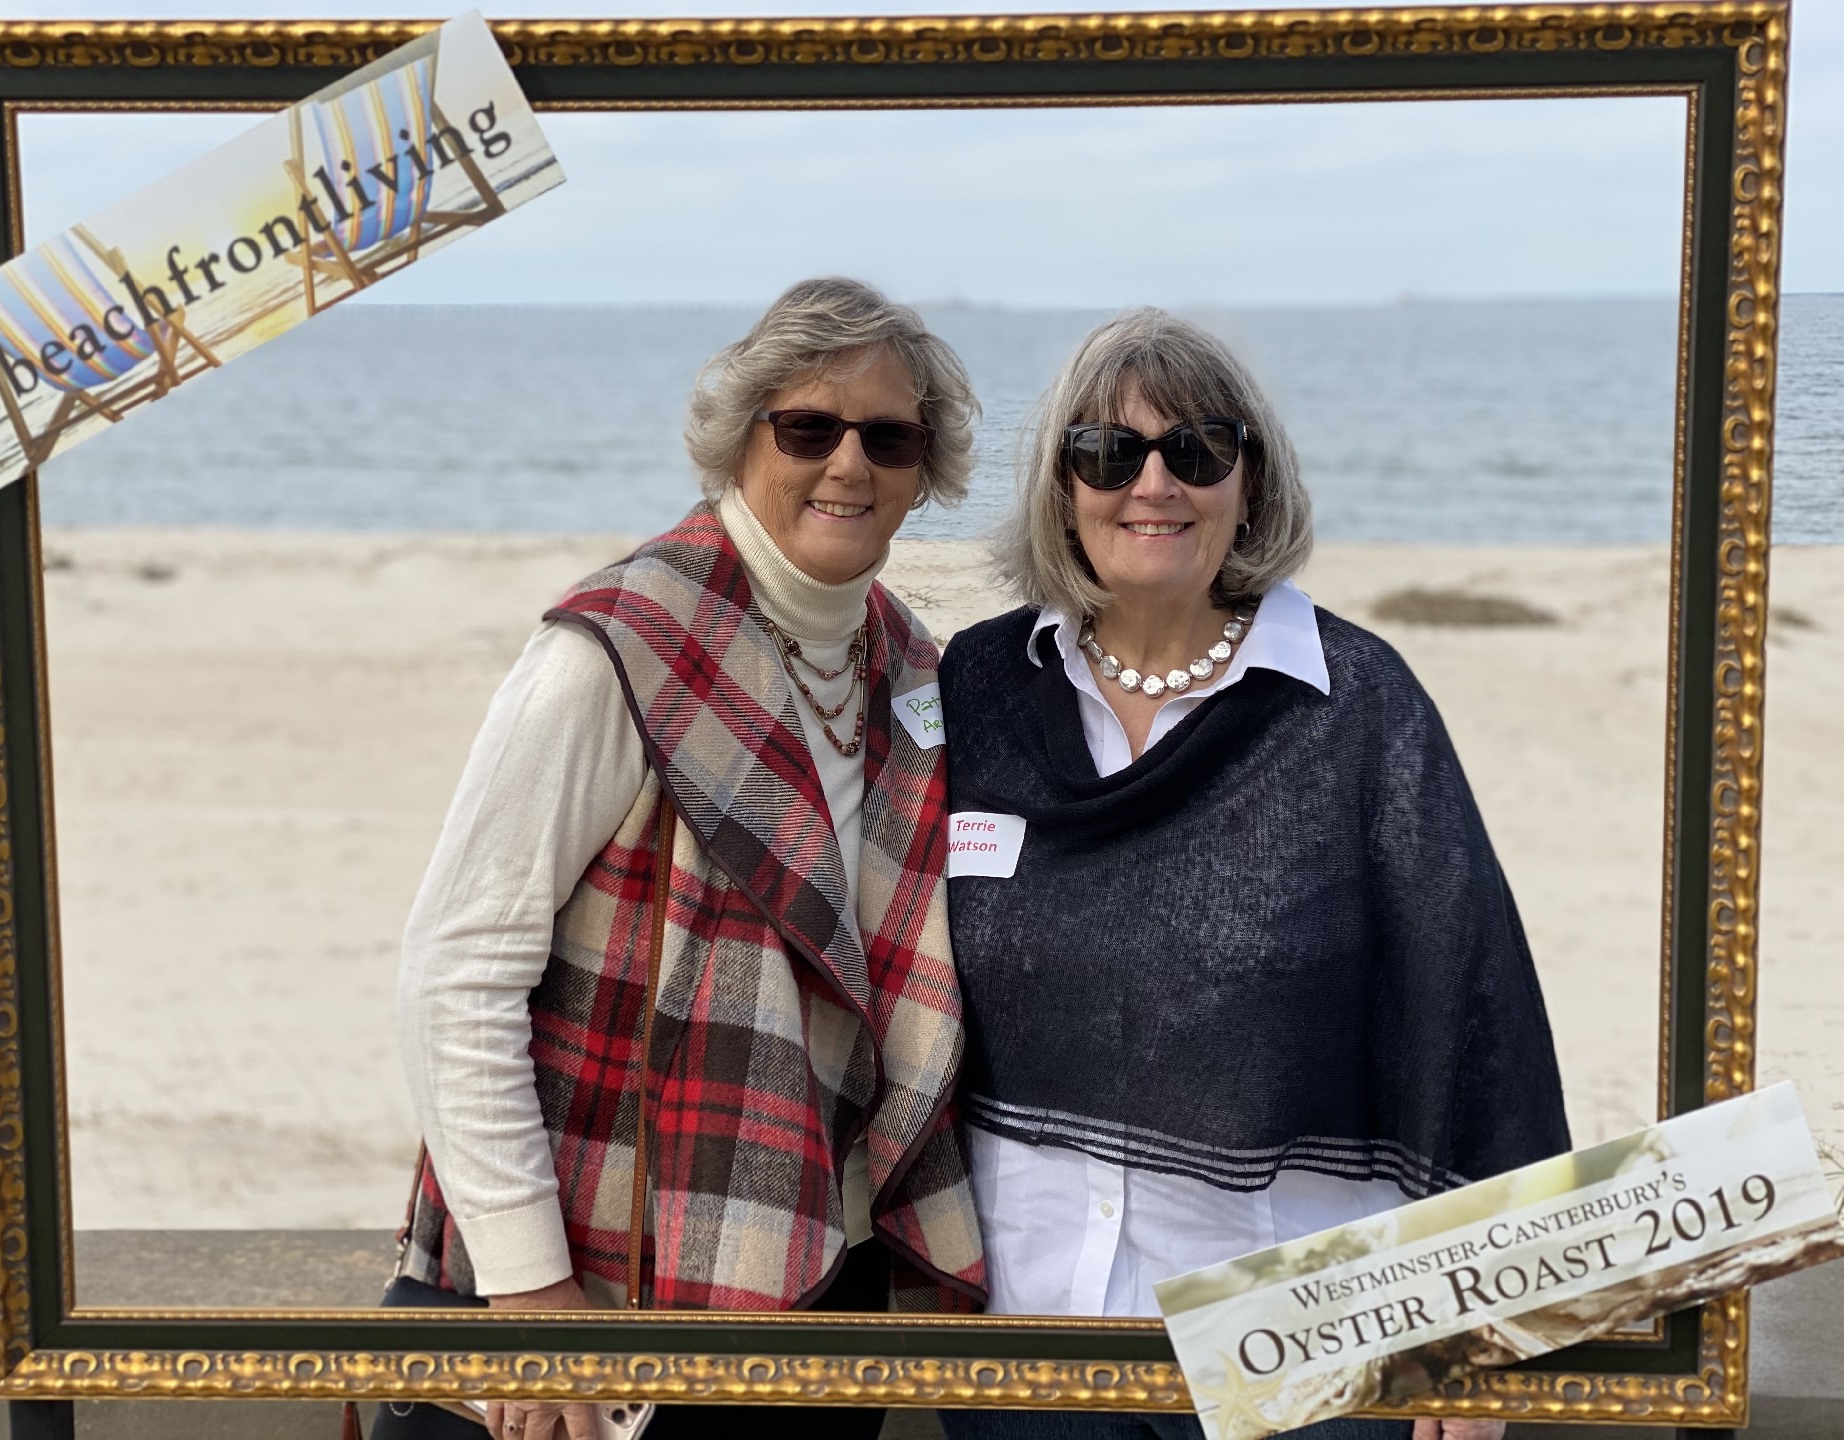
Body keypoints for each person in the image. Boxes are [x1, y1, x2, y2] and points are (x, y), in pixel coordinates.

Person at [936, 309, 1569, 1440]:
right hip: (1030, 1322)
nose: (1153, 485)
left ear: (1249, 479)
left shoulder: (1354, 705)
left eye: (1198, 451)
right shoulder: (981, 687)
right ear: (1061, 484)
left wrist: (1485, 1324)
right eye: (1108, 452)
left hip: (1295, 1331)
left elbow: (1473, 1004)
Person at [387, 278, 986, 1440]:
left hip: (823, 1281)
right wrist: (528, 1291)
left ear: (927, 468)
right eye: (809, 428)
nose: (848, 466)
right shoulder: (615, 648)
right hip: (612, 1290)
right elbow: (455, 970)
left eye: (890, 436)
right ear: (741, 435)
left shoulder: (907, 667)